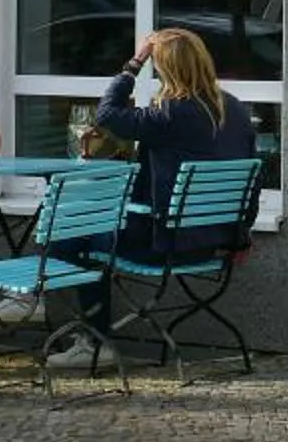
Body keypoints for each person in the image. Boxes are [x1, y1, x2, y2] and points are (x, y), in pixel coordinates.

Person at [52, 28, 256, 373]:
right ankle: (78, 331)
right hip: (214, 244)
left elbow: (106, 114)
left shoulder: (171, 113)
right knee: (91, 229)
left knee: (74, 233)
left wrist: (133, 63)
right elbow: (251, 182)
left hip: (166, 244)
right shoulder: (234, 108)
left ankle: (90, 339)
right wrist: (242, 234)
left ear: (165, 69)